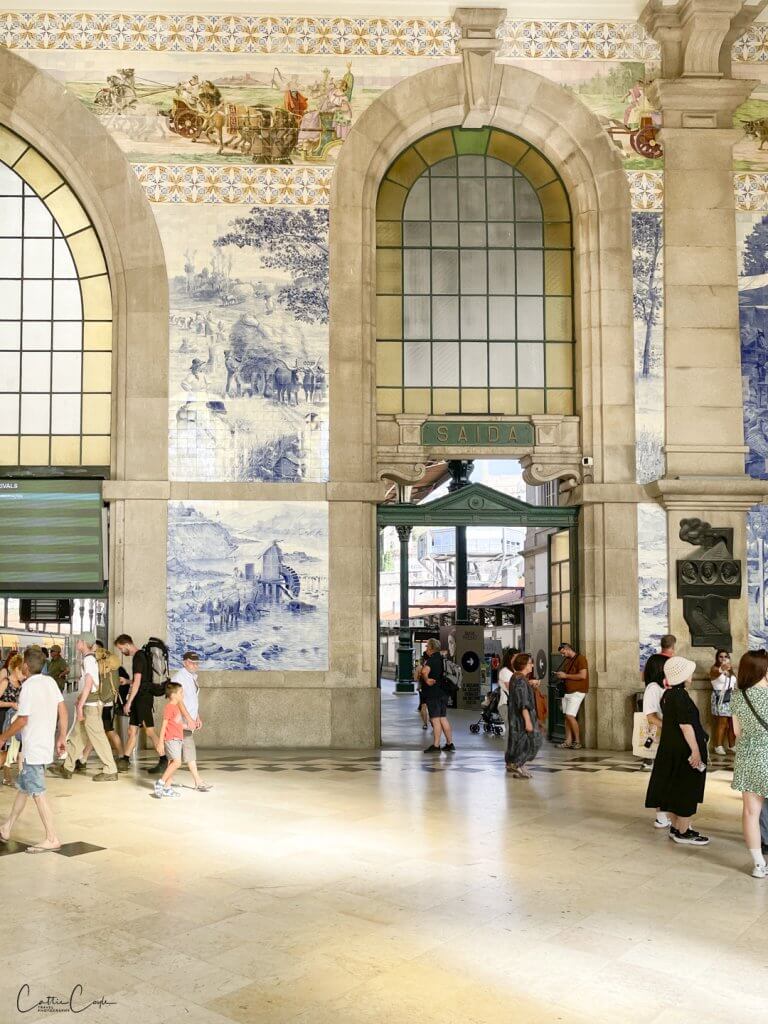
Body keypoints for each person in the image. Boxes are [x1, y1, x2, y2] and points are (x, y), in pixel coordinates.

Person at [0, 648, 67, 853]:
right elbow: (62, 710)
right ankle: (6, 828)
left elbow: (23, 719)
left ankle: (51, 837)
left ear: (25, 667)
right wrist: (62, 736)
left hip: (33, 748)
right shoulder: (50, 682)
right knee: (24, 788)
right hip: (44, 745)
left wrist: (3, 737)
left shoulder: (28, 687)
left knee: (37, 792)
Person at [645, 656, 710, 846]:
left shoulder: (668, 694)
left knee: (675, 787)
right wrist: (696, 751)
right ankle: (683, 831)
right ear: (683, 675)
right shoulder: (680, 696)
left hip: (673, 748)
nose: (692, 675)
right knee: (687, 788)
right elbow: (685, 726)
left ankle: (677, 827)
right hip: (684, 750)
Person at [50, 634, 118, 782]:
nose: (77, 643)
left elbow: (89, 682)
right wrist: (81, 700)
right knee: (78, 735)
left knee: (98, 736)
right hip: (90, 703)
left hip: (91, 705)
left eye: (79, 641)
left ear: (83, 643)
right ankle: (67, 767)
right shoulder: (90, 658)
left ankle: (110, 769)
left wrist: (80, 706)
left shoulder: (88, 659)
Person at [730, 650, 768, 878]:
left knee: (751, 813)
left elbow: (736, 732)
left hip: (749, 758)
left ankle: (758, 865)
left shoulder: (738, 696)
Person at [115, 634, 163, 774]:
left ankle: (164, 758)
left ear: (127, 644)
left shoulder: (138, 657)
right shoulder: (143, 656)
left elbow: (138, 682)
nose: (121, 651)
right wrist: (127, 681)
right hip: (141, 697)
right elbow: (141, 680)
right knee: (132, 731)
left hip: (143, 699)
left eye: (121, 648)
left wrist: (128, 702)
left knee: (149, 731)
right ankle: (125, 760)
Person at [171, 651, 211, 792]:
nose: (195, 665)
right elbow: (178, 701)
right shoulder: (179, 677)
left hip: (187, 720)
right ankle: (198, 781)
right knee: (188, 749)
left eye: (196, 662)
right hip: (179, 720)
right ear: (184, 662)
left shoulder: (192, 677)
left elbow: (192, 701)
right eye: (191, 662)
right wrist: (188, 718)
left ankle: (169, 779)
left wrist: (197, 717)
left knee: (176, 751)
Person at [153, 683, 197, 799]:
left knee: (171, 763)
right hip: (171, 739)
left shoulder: (177, 707)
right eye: (181, 693)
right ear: (173, 695)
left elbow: (177, 724)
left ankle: (167, 788)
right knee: (177, 762)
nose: (183, 694)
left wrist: (190, 725)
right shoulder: (169, 707)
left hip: (178, 739)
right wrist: (160, 742)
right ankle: (161, 782)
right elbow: (164, 725)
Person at [505, 653, 541, 779]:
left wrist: (529, 684)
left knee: (520, 741)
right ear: (524, 665)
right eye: (530, 663)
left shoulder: (517, 677)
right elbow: (523, 702)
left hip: (517, 717)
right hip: (521, 718)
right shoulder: (520, 679)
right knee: (531, 741)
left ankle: (518, 763)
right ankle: (519, 764)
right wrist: (527, 721)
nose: (532, 665)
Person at [642, 667, 671, 828]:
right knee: (661, 776)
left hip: (669, 737)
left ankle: (667, 813)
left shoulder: (670, 687)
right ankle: (661, 815)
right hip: (661, 737)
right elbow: (651, 716)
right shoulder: (654, 688)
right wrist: (671, 728)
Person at [420, 638, 454, 754]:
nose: (426, 649)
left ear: (431, 648)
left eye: (427, 646)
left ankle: (436, 745)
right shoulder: (443, 659)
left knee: (435, 720)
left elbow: (424, 672)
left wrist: (426, 679)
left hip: (433, 693)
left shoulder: (431, 660)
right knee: (443, 717)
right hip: (444, 693)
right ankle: (450, 744)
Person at [555, 642, 589, 750]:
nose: (563, 655)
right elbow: (567, 675)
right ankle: (568, 741)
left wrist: (566, 675)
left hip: (577, 691)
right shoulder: (567, 661)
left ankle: (577, 741)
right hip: (567, 692)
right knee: (567, 717)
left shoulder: (581, 659)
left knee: (570, 716)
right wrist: (561, 675)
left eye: (563, 652)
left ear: (567, 648)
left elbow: (583, 676)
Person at [0, 654, 24, 786]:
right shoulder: (5, 682)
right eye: (22, 670)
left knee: (12, 748)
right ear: (16, 668)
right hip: (3, 717)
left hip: (15, 718)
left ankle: (7, 777)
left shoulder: (21, 683)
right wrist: (11, 704)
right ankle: (6, 777)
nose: (24, 674)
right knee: (4, 749)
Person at [710, 649, 736, 755]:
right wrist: (722, 668)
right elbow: (717, 672)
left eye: (726, 656)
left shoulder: (730, 670)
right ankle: (718, 745)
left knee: (732, 723)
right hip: (720, 698)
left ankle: (732, 745)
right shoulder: (714, 668)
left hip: (731, 698)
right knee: (722, 723)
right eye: (721, 656)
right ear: (717, 658)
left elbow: (733, 684)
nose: (723, 658)